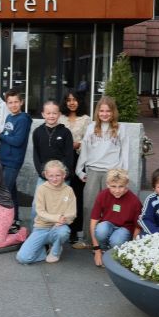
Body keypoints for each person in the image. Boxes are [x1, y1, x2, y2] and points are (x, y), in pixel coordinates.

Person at [77, 95, 130, 245]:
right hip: (93, 171)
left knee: (112, 208)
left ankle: (107, 241)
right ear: (97, 112)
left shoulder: (120, 129)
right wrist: (79, 170)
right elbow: (85, 151)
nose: (105, 114)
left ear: (113, 112)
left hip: (112, 173)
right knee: (89, 206)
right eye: (102, 111)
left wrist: (123, 175)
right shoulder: (91, 128)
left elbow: (124, 153)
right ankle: (88, 240)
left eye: (108, 111)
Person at [16, 160, 76, 264]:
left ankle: (56, 250)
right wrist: (57, 218)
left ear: (64, 175)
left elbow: (72, 212)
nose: (54, 178)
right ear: (46, 175)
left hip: (59, 226)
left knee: (63, 232)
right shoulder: (41, 189)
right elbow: (40, 212)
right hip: (41, 228)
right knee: (23, 258)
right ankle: (43, 250)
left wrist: (62, 220)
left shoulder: (68, 190)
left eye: (58, 175)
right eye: (51, 175)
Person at [0, 90, 31, 229]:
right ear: (6, 104)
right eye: (10, 102)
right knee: (11, 191)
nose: (13, 105)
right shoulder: (10, 117)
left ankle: (2, 224)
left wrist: (0, 136)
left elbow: (17, 141)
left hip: (13, 161)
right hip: (4, 159)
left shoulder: (23, 119)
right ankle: (14, 220)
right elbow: (8, 134)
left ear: (21, 102)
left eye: (16, 102)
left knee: (3, 192)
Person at [31, 101, 75, 221]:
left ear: (59, 114)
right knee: (36, 205)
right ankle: (35, 234)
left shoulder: (65, 133)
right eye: (48, 113)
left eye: (54, 113)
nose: (51, 116)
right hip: (44, 176)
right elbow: (36, 155)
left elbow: (69, 156)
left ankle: (60, 234)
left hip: (62, 177)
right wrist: (42, 173)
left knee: (61, 207)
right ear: (43, 114)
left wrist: (64, 175)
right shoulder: (37, 132)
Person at [90, 168, 142, 267]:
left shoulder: (134, 201)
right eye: (113, 186)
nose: (117, 191)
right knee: (101, 229)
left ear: (127, 184)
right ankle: (103, 249)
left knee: (116, 240)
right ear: (107, 184)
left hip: (125, 228)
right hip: (108, 225)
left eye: (121, 186)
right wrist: (97, 249)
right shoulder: (103, 195)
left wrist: (134, 247)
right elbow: (93, 221)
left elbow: (138, 226)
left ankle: (114, 253)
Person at [59, 90, 91, 246]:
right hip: (64, 161)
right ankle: (61, 228)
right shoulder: (60, 118)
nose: (72, 103)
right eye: (68, 100)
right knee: (62, 194)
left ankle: (74, 231)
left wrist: (79, 144)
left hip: (79, 159)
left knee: (77, 195)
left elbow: (89, 140)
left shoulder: (86, 119)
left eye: (75, 100)